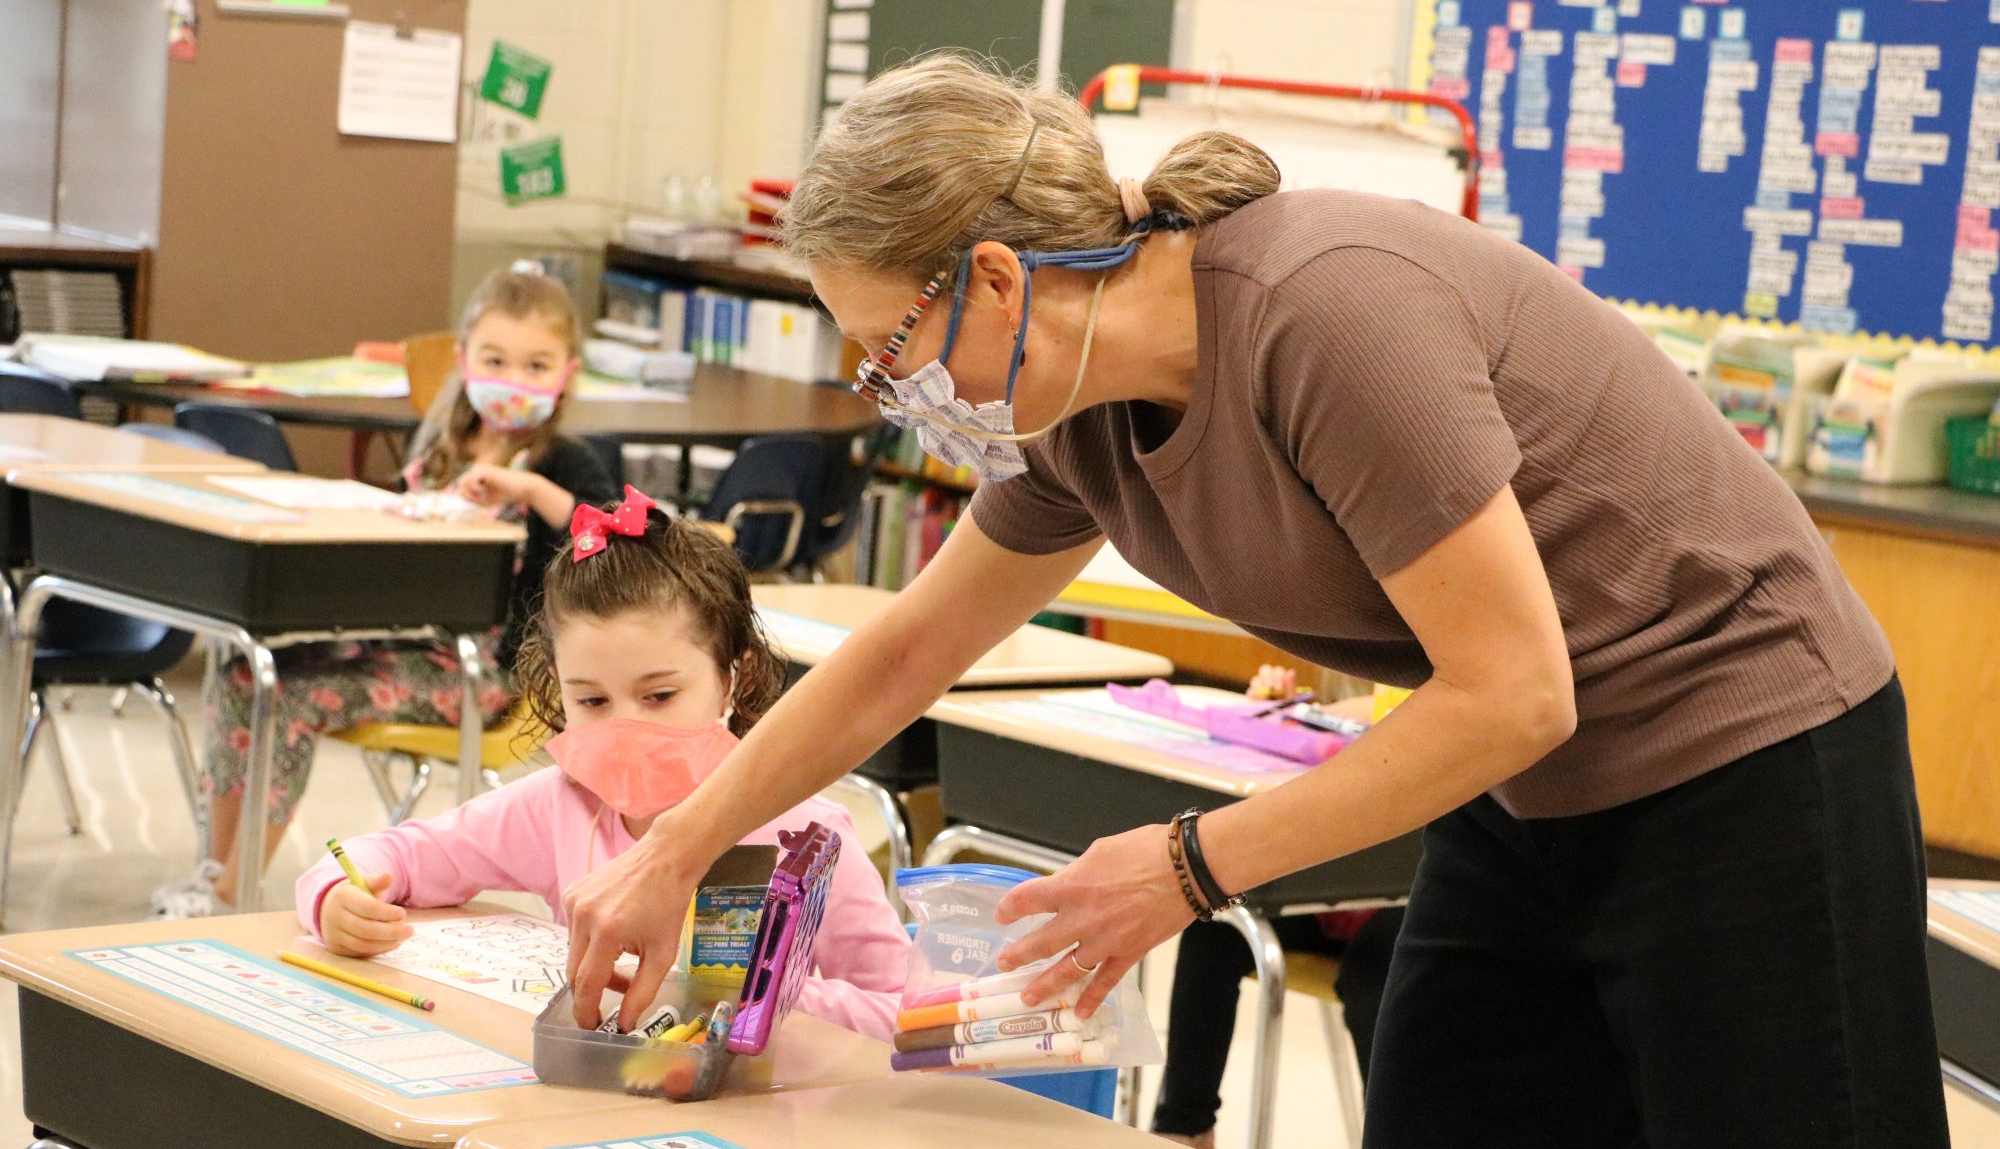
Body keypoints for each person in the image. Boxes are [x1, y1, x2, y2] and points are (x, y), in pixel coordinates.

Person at [559, 55, 1946, 1147]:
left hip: (1748, 753)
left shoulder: (1325, 311)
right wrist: (675, 849)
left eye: (891, 347)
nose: (891, 391)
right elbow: (910, 647)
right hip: (1529, 787)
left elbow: (1518, 686)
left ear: (995, 279)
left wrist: (1186, 866)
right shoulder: (1078, 414)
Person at [296, 493, 909, 1040]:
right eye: (591, 701)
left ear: (733, 678)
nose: (623, 726)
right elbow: (395, 857)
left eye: (659, 696)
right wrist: (335, 899)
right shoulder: (561, 806)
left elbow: (901, 1011)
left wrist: (759, 999)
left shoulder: (805, 832)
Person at [154, 265, 619, 918]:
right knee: (240, 677)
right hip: (397, 642)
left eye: (535, 366)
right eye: (495, 361)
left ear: (567, 372)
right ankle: (215, 872)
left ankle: (235, 891)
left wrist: (530, 492)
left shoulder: (565, 460)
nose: (513, 382)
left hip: (483, 673)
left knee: (290, 699)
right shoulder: (441, 447)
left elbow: (615, 537)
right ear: (463, 360)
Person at [1153, 671, 1402, 1149]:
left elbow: (1414, 710)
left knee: (1381, 970)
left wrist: (1315, 718)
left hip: (1404, 894)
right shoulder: (1341, 660)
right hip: (1325, 885)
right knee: (1217, 926)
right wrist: (1279, 710)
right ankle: (1183, 1128)